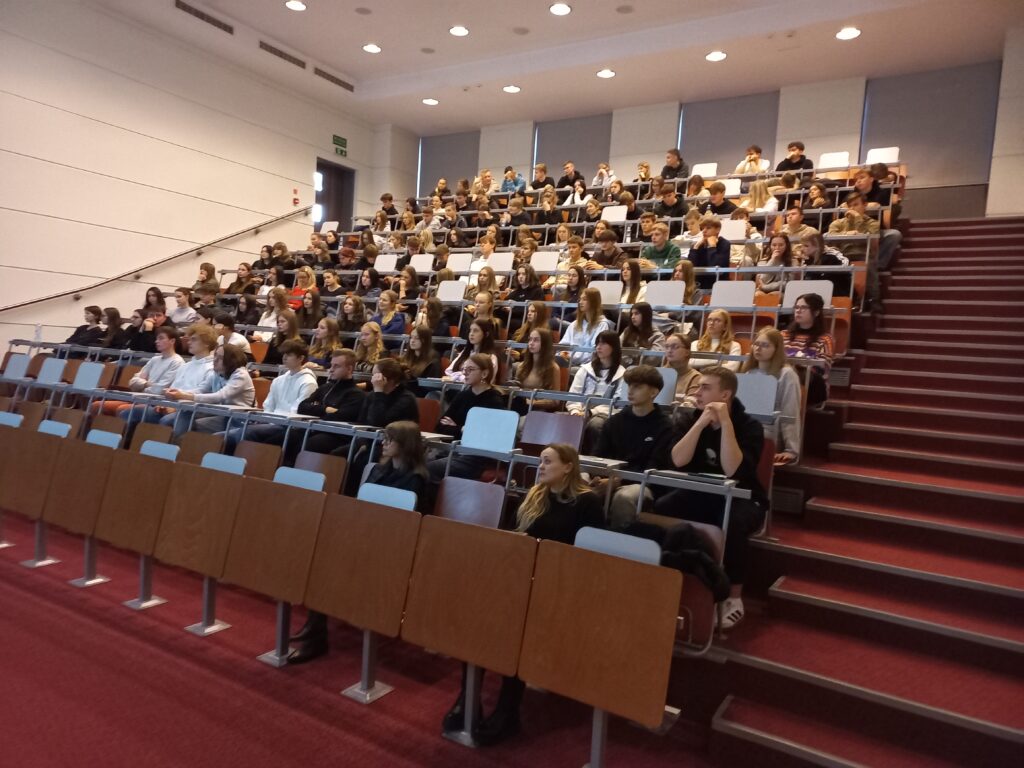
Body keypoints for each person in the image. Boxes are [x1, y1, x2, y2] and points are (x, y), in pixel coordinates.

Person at [451, 443, 605, 744]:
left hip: (559, 585)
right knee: (476, 613)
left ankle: (508, 711)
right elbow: (516, 537)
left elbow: (591, 557)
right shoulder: (535, 495)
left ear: (568, 466)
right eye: (540, 461)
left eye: (548, 461)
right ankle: (467, 697)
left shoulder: (588, 503)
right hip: (523, 578)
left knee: (515, 628)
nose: (541, 466)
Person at [654, 366, 768, 629]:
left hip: (744, 496)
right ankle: (667, 575)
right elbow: (678, 460)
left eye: (705, 388)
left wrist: (725, 423)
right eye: (698, 387)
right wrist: (700, 424)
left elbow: (734, 470)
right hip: (702, 492)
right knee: (661, 507)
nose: (697, 392)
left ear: (725, 394)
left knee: (733, 523)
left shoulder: (750, 427)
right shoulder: (690, 419)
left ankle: (734, 597)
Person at [594, 365, 672, 529]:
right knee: (579, 483)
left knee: (624, 497)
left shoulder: (665, 426)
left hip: (645, 484)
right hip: (611, 477)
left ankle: (618, 540)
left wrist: (618, 480)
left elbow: (655, 467)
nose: (630, 391)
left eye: (637, 387)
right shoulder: (614, 422)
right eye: (629, 385)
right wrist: (597, 477)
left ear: (653, 392)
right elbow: (598, 456)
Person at [222, 340, 317, 452]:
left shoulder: (308, 382)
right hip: (271, 421)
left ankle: (241, 460)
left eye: (289, 354)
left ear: (301, 358)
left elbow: (298, 411)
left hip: (287, 426)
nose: (284, 357)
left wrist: (271, 421)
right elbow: (269, 405)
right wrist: (264, 419)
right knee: (222, 435)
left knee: (246, 433)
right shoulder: (279, 380)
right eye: (284, 354)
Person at [120, 324, 217, 434]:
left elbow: (201, 392)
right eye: (189, 339)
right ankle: (127, 443)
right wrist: (165, 403)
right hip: (172, 405)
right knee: (130, 412)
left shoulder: (212, 368)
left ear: (206, 343)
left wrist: (175, 406)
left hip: (191, 410)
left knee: (167, 421)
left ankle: (160, 445)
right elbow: (172, 388)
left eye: (194, 339)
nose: (189, 342)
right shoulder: (186, 366)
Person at [428, 353, 506, 481]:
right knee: (416, 464)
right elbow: (440, 427)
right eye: (464, 369)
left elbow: (484, 436)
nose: (464, 373)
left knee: (428, 468)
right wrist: (462, 429)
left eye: (470, 369)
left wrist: (457, 428)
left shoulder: (494, 400)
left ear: (484, 374)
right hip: (453, 450)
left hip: (475, 457)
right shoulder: (463, 395)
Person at [283, 348, 367, 466]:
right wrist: (325, 409)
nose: (331, 369)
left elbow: (339, 416)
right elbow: (302, 406)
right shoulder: (325, 388)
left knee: (310, 444)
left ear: (349, 369)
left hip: (336, 435)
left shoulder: (356, 394)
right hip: (315, 429)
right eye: (331, 365)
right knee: (284, 437)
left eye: (336, 366)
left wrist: (317, 410)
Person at [166, 343, 256, 438]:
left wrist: (184, 396)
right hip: (222, 414)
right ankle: (180, 443)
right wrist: (178, 392)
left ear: (231, 361)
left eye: (220, 358)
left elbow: (219, 396)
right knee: (185, 414)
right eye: (215, 355)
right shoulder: (216, 373)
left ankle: (180, 444)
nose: (215, 359)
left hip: (239, 419)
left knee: (193, 425)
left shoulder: (241, 375)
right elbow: (201, 390)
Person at [93, 325, 183, 418]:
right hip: (138, 398)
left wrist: (142, 386)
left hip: (154, 403)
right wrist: (147, 384)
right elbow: (132, 382)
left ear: (172, 341)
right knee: (97, 405)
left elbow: (160, 390)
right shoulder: (154, 359)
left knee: (122, 409)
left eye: (161, 338)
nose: (156, 341)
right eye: (156, 338)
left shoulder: (177, 362)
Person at [742, 327, 801, 464]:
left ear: (776, 349)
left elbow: (790, 412)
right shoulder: (749, 372)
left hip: (771, 429)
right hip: (749, 425)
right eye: (756, 344)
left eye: (765, 345)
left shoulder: (787, 374)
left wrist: (791, 450)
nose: (758, 348)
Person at [566, 330, 626, 453]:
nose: (598, 347)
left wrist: (591, 412)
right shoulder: (585, 369)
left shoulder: (622, 374)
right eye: (597, 343)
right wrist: (575, 411)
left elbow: (618, 405)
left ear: (614, 347)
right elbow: (573, 395)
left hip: (606, 414)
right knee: (564, 421)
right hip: (581, 411)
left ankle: (595, 459)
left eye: (603, 343)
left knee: (595, 425)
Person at [828, 191, 882, 305]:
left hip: (862, 253)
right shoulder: (838, 223)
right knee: (827, 263)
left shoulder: (873, 223)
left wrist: (858, 219)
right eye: (850, 206)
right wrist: (846, 234)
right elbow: (831, 237)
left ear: (865, 205)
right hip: (842, 254)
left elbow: (872, 242)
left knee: (869, 264)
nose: (852, 208)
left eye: (856, 204)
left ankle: (874, 300)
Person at [782, 292, 834, 406]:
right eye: (796, 307)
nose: (798, 311)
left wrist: (798, 365)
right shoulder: (783, 335)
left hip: (811, 384)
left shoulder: (825, 339)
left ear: (816, 312)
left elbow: (823, 369)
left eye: (804, 308)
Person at [561, 287, 613, 367]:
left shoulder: (602, 324)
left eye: (584, 299)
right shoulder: (574, 324)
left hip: (590, 365)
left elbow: (595, 352)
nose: (580, 302)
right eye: (580, 299)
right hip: (569, 361)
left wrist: (572, 357)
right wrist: (564, 354)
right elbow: (563, 345)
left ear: (593, 302)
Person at [511, 328, 561, 411]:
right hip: (520, 408)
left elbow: (555, 400)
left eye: (536, 340)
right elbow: (516, 390)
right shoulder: (521, 366)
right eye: (530, 339)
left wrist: (532, 402)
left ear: (545, 344)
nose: (531, 343)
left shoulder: (553, 368)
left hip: (539, 411)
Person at [801, 232, 851, 297]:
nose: (802, 249)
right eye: (802, 245)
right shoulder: (807, 260)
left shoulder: (831, 258)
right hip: (816, 293)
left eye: (806, 246)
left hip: (836, 293)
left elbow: (828, 281)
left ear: (817, 246)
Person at [687, 216, 732, 290]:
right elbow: (689, 267)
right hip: (698, 285)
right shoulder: (698, 245)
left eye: (708, 228)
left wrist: (712, 247)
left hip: (718, 285)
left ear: (717, 229)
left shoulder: (724, 244)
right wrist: (695, 248)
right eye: (702, 228)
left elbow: (716, 267)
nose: (704, 231)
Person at [620, 302, 666, 366]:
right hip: (625, 368)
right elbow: (618, 350)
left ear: (646, 315)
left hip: (646, 370)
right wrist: (630, 362)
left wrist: (636, 364)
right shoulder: (627, 331)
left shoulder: (657, 336)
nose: (633, 317)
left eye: (636, 314)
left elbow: (654, 359)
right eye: (632, 314)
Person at [400, 326, 441, 396]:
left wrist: (409, 378)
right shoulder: (406, 357)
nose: (412, 341)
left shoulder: (433, 360)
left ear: (425, 340)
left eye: (417, 338)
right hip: (405, 391)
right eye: (411, 337)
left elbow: (428, 387)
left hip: (419, 394)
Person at [663, 332, 700, 406]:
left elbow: (690, 406)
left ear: (687, 352)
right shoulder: (657, 374)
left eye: (675, 347)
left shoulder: (696, 377)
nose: (669, 350)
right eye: (667, 347)